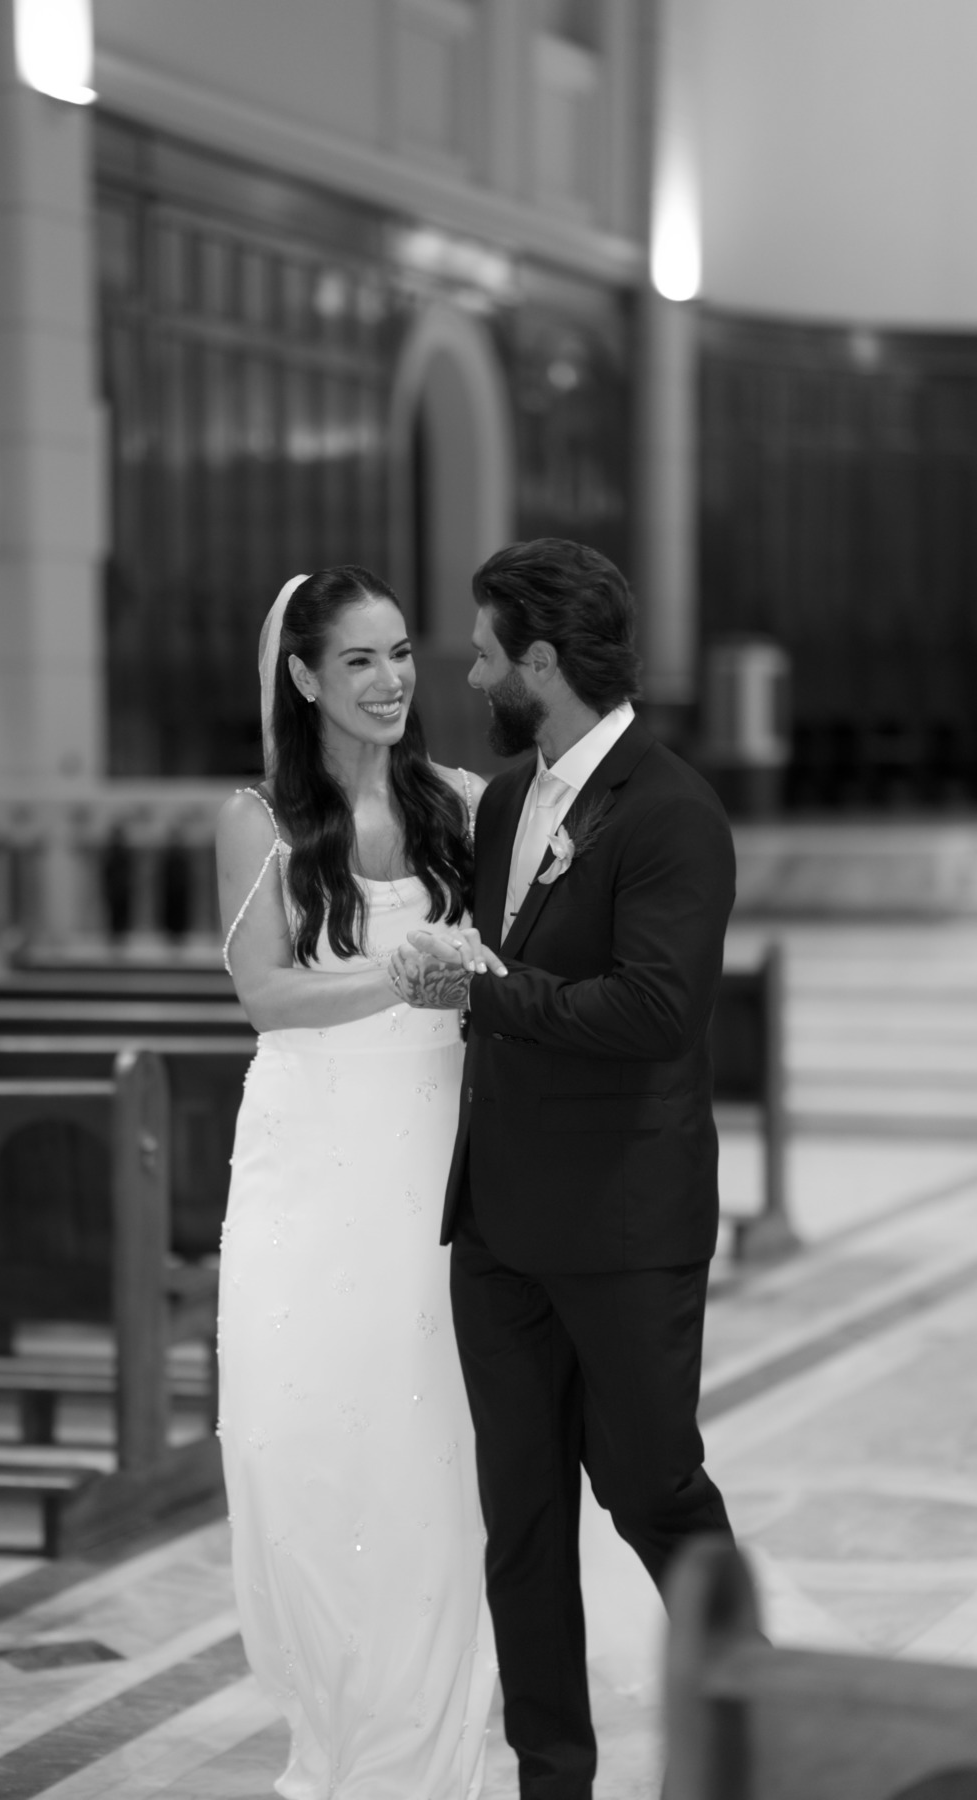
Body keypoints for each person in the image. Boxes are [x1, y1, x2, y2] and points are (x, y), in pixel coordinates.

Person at [392, 538, 737, 1800]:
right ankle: (552, 1776)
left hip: (625, 1222)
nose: (468, 667)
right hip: (500, 1227)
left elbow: (656, 1012)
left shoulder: (671, 811)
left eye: (485, 648)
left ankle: (751, 1727)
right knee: (522, 1525)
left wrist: (490, 988)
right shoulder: (502, 800)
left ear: (541, 660)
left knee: (653, 1489)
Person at [215, 565, 499, 1800]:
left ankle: (436, 1743)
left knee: (430, 1440)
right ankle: (333, 1726)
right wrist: (403, 977)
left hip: (434, 1146)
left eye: (400, 656)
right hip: (308, 1157)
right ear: (303, 680)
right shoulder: (257, 816)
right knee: (305, 1440)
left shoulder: (468, 804)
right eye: (359, 663)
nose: (391, 683)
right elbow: (267, 995)